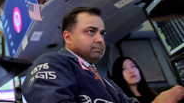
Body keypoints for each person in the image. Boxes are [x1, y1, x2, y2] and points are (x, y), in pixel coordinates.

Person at [21, 7, 184, 103]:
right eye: (91, 32)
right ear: (68, 37)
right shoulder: (52, 62)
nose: (100, 39)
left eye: (102, 33)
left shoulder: (107, 83)